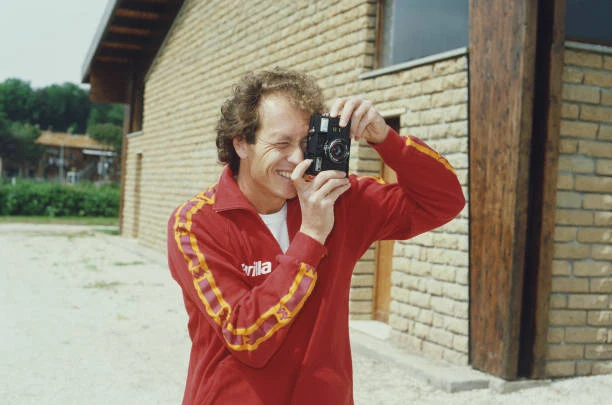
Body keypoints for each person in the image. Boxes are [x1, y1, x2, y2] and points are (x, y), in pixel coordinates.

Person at [167, 68, 465, 405]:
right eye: (281, 144)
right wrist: (311, 235)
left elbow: (444, 201)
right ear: (241, 143)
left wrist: (387, 139)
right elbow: (245, 334)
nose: (298, 159)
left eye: (306, 143)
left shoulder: (339, 200)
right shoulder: (196, 222)